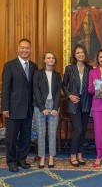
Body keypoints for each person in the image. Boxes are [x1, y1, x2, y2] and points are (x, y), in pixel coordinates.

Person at [1, 38, 38, 172]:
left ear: (30, 49)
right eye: (22, 48)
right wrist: (4, 108)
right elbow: (5, 88)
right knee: (11, 137)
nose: (25, 50)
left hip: (28, 109)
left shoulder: (34, 66)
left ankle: (22, 160)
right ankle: (11, 161)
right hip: (13, 109)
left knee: (25, 137)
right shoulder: (9, 65)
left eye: (27, 48)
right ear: (18, 49)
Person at [62, 44, 93, 167]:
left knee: (83, 130)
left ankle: (80, 154)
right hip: (73, 102)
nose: (80, 54)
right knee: (78, 129)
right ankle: (73, 155)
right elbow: (63, 85)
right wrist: (69, 95)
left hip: (86, 102)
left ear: (85, 54)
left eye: (82, 52)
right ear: (74, 55)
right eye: (78, 53)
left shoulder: (90, 68)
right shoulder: (69, 68)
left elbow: (92, 84)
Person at [33, 52, 61, 168]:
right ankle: (42, 157)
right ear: (44, 60)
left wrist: (55, 108)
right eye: (48, 58)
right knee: (41, 132)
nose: (51, 60)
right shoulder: (37, 73)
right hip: (40, 105)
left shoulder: (57, 75)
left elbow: (58, 92)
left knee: (52, 132)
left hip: (54, 105)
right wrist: (42, 107)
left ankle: (51, 157)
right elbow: (36, 91)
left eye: (53, 58)